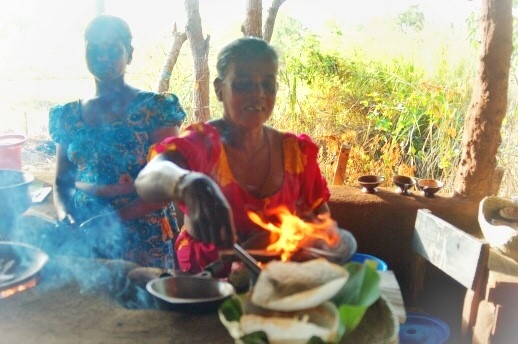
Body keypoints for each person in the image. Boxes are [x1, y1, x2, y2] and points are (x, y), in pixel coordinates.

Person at [135, 37, 356, 274]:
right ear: (219, 89)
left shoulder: (295, 153)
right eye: (243, 84)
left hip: (280, 281)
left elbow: (321, 217)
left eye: (267, 84)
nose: (258, 94)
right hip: (209, 283)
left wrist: (315, 243)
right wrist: (185, 183)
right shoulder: (203, 144)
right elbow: (149, 177)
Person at [49, 15, 187, 268]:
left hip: (145, 238)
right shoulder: (67, 116)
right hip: (87, 233)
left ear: (130, 54)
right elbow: (62, 182)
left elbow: (166, 186)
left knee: (145, 304)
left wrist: (111, 220)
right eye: (95, 49)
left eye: (113, 50)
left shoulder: (155, 110)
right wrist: (65, 216)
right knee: (93, 303)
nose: (103, 57)